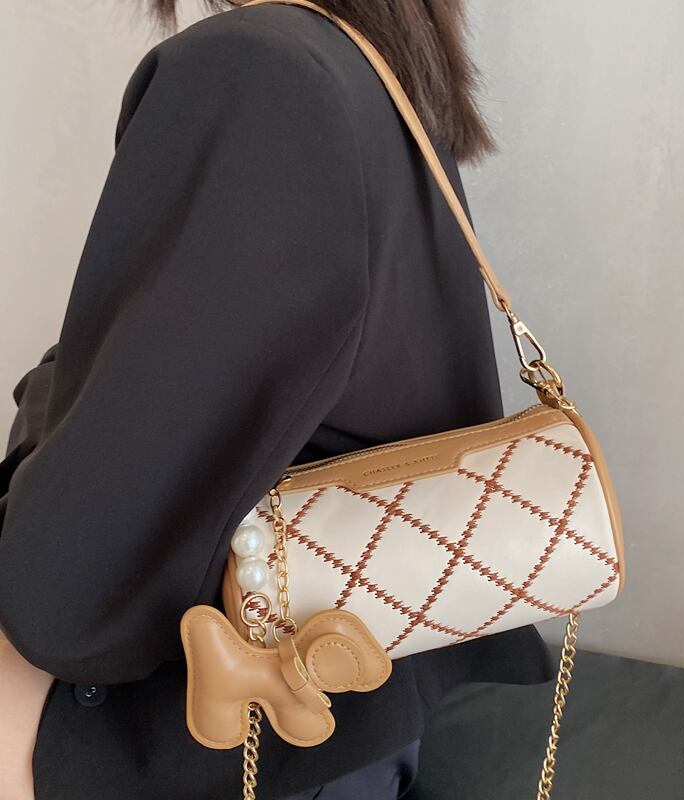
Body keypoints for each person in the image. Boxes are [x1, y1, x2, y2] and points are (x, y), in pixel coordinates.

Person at [0, 1, 554, 797]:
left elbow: (67, 598)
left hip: (235, 741)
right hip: (357, 720)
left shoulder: (257, 71)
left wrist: (54, 403)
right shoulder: (370, 62)